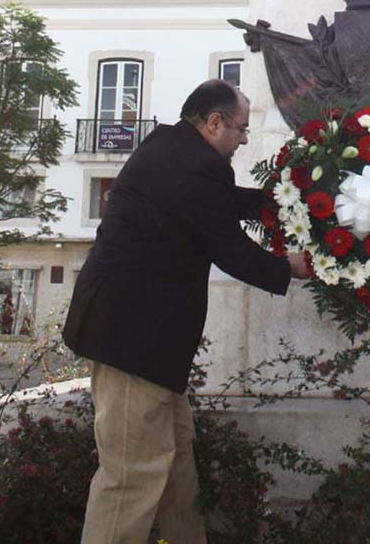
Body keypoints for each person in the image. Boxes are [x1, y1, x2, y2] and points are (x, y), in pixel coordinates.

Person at [63, 79, 309, 544]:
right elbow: (230, 250)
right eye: (239, 128)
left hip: (148, 347)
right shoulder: (192, 167)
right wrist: (290, 267)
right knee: (131, 476)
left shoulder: (176, 149)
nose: (243, 138)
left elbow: (221, 204)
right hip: (131, 342)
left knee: (176, 466)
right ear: (214, 123)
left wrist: (280, 201)